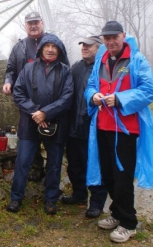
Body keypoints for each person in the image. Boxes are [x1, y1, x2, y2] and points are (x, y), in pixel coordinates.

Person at [85, 21, 153, 243]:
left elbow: (149, 91)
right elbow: (91, 86)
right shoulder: (100, 59)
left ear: (123, 36)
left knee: (122, 178)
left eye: (114, 37)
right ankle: (117, 214)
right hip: (102, 126)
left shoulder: (137, 60)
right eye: (106, 38)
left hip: (126, 130)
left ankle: (129, 223)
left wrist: (120, 99)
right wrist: (93, 96)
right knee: (107, 175)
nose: (110, 42)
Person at [6, 34, 73, 215]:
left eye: (54, 46)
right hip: (30, 123)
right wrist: (35, 112)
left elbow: (67, 98)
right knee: (23, 161)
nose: (50, 49)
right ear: (41, 48)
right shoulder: (28, 69)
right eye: (47, 46)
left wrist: (46, 113)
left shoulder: (65, 71)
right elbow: (18, 93)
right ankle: (16, 197)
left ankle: (51, 199)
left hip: (56, 124)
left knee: (54, 163)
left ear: (59, 50)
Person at [3, 12, 69, 182]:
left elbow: (64, 68)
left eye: (36, 22)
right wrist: (8, 81)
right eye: (29, 23)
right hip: (27, 103)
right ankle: (36, 166)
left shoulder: (53, 42)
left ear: (42, 23)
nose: (33, 26)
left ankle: (51, 176)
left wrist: (48, 111)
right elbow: (10, 68)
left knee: (51, 139)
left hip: (52, 106)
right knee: (29, 137)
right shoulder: (19, 47)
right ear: (25, 25)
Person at [61, 36, 107, 218]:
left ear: (99, 48)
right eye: (83, 45)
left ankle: (96, 203)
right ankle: (79, 194)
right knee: (74, 164)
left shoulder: (103, 68)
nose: (84, 48)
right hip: (73, 126)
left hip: (93, 127)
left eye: (89, 46)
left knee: (94, 165)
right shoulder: (77, 67)